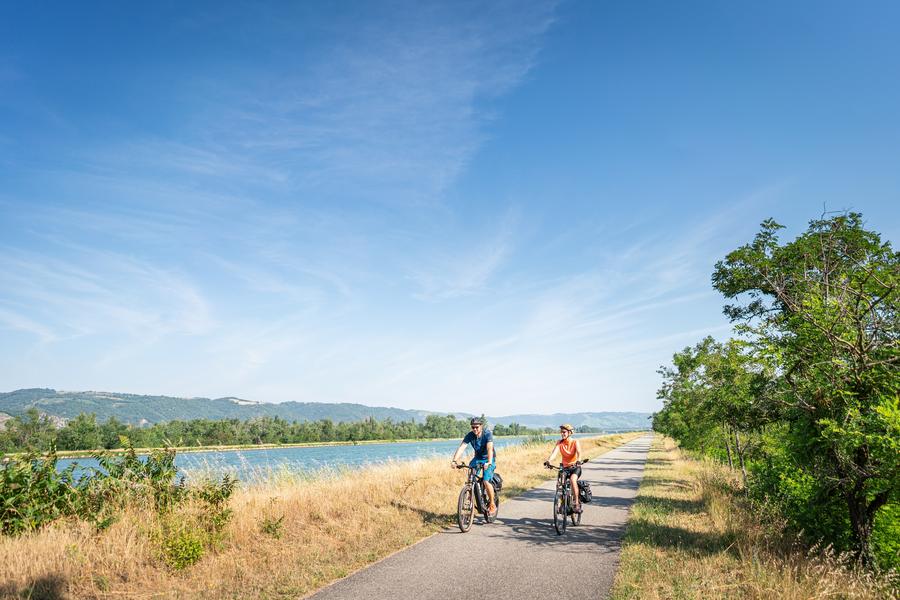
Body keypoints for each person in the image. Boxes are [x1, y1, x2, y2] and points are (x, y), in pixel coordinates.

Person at [451, 417, 497, 514]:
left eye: (476, 427)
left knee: (485, 480)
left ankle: (492, 504)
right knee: (471, 473)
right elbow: (462, 447)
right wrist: (454, 460)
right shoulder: (470, 435)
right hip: (478, 458)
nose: (475, 429)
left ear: (481, 426)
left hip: (489, 458)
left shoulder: (487, 434)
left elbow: (489, 449)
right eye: (473, 427)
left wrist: (488, 462)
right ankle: (470, 491)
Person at [544, 423, 583, 513]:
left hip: (575, 467)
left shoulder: (574, 442)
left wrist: (578, 460)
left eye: (564, 432)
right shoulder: (559, 442)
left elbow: (579, 452)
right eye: (561, 432)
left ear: (569, 432)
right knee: (561, 484)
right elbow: (554, 453)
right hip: (565, 468)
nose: (562, 434)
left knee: (573, 480)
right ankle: (562, 504)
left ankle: (576, 503)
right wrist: (549, 461)